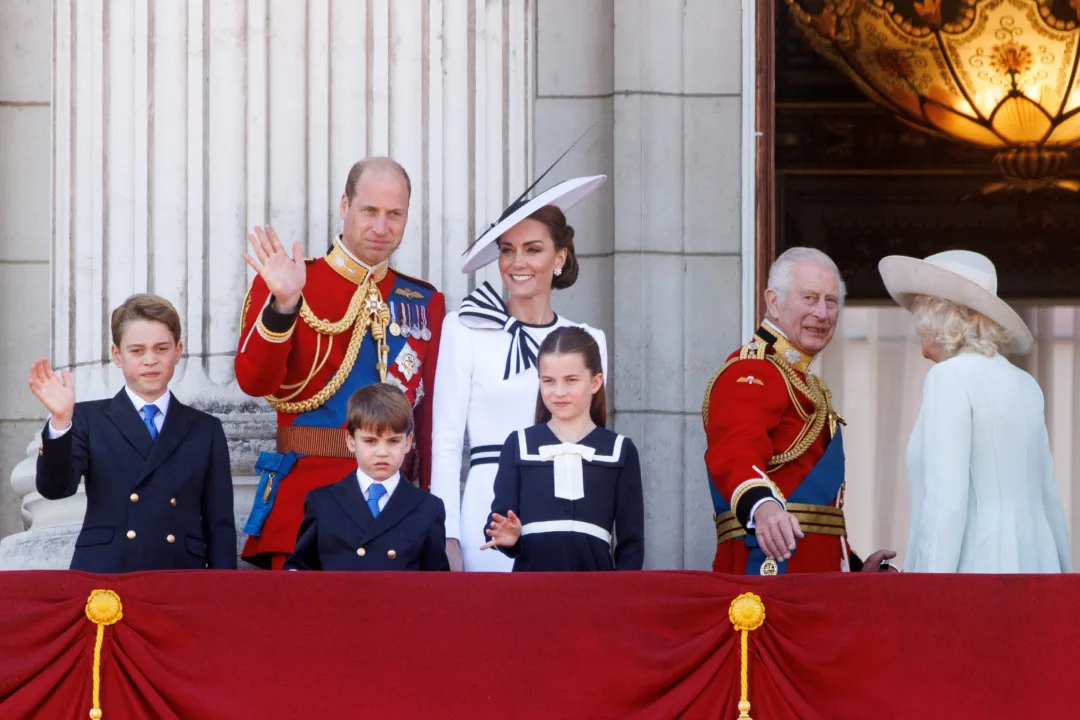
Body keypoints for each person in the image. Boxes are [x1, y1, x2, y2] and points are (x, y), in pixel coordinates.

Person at [236, 157, 444, 570]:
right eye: (369, 211)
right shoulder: (293, 281)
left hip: (395, 514)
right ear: (344, 205)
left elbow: (429, 419)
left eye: (394, 215)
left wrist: (432, 511)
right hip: (306, 507)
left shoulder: (423, 301)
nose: (381, 228)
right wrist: (283, 304)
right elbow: (254, 381)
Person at [430, 175, 608, 572]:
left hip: (565, 508)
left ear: (559, 257)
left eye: (533, 249)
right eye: (507, 250)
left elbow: (593, 446)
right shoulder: (464, 328)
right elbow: (444, 443)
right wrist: (447, 535)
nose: (517, 263)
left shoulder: (589, 341)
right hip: (486, 508)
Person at [702, 247, 895, 574]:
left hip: (814, 581)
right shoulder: (751, 372)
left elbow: (812, 508)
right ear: (773, 302)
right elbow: (734, 452)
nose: (822, 313)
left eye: (831, 302)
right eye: (809, 298)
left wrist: (856, 567)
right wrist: (762, 507)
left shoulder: (801, 381)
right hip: (769, 575)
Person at [878, 250, 1072, 573]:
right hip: (1037, 567)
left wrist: (928, 594)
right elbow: (1049, 498)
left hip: (978, 572)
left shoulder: (948, 378)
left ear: (935, 316)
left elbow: (946, 504)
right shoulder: (1026, 384)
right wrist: (1066, 580)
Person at [30, 294, 236, 572]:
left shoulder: (205, 428)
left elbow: (219, 524)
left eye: (161, 348)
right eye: (137, 350)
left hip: (181, 573)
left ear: (178, 350)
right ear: (117, 355)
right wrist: (59, 422)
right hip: (107, 573)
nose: (150, 360)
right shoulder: (87, 418)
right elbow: (55, 489)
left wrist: (222, 598)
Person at [482, 327, 643, 571]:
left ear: (596, 382)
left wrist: (621, 599)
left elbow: (631, 544)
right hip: (531, 590)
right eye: (549, 381)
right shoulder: (518, 445)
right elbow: (498, 523)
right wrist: (507, 537)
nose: (559, 392)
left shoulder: (621, 450)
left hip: (597, 594)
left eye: (571, 380)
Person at [284, 384, 449, 571]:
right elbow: (299, 569)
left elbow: (437, 583)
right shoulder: (322, 502)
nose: (382, 452)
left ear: (408, 442)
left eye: (393, 441)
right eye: (370, 441)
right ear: (351, 441)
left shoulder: (428, 507)